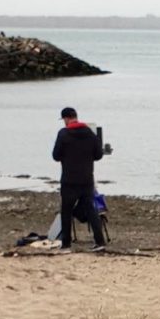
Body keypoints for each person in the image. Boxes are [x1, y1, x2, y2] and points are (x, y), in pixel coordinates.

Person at [52, 107, 105, 253]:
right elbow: (99, 155)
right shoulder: (89, 133)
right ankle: (100, 241)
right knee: (91, 210)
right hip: (87, 179)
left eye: (64, 120)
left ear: (66, 119)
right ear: (76, 116)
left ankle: (66, 245)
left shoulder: (63, 134)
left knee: (66, 211)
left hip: (69, 179)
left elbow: (56, 156)